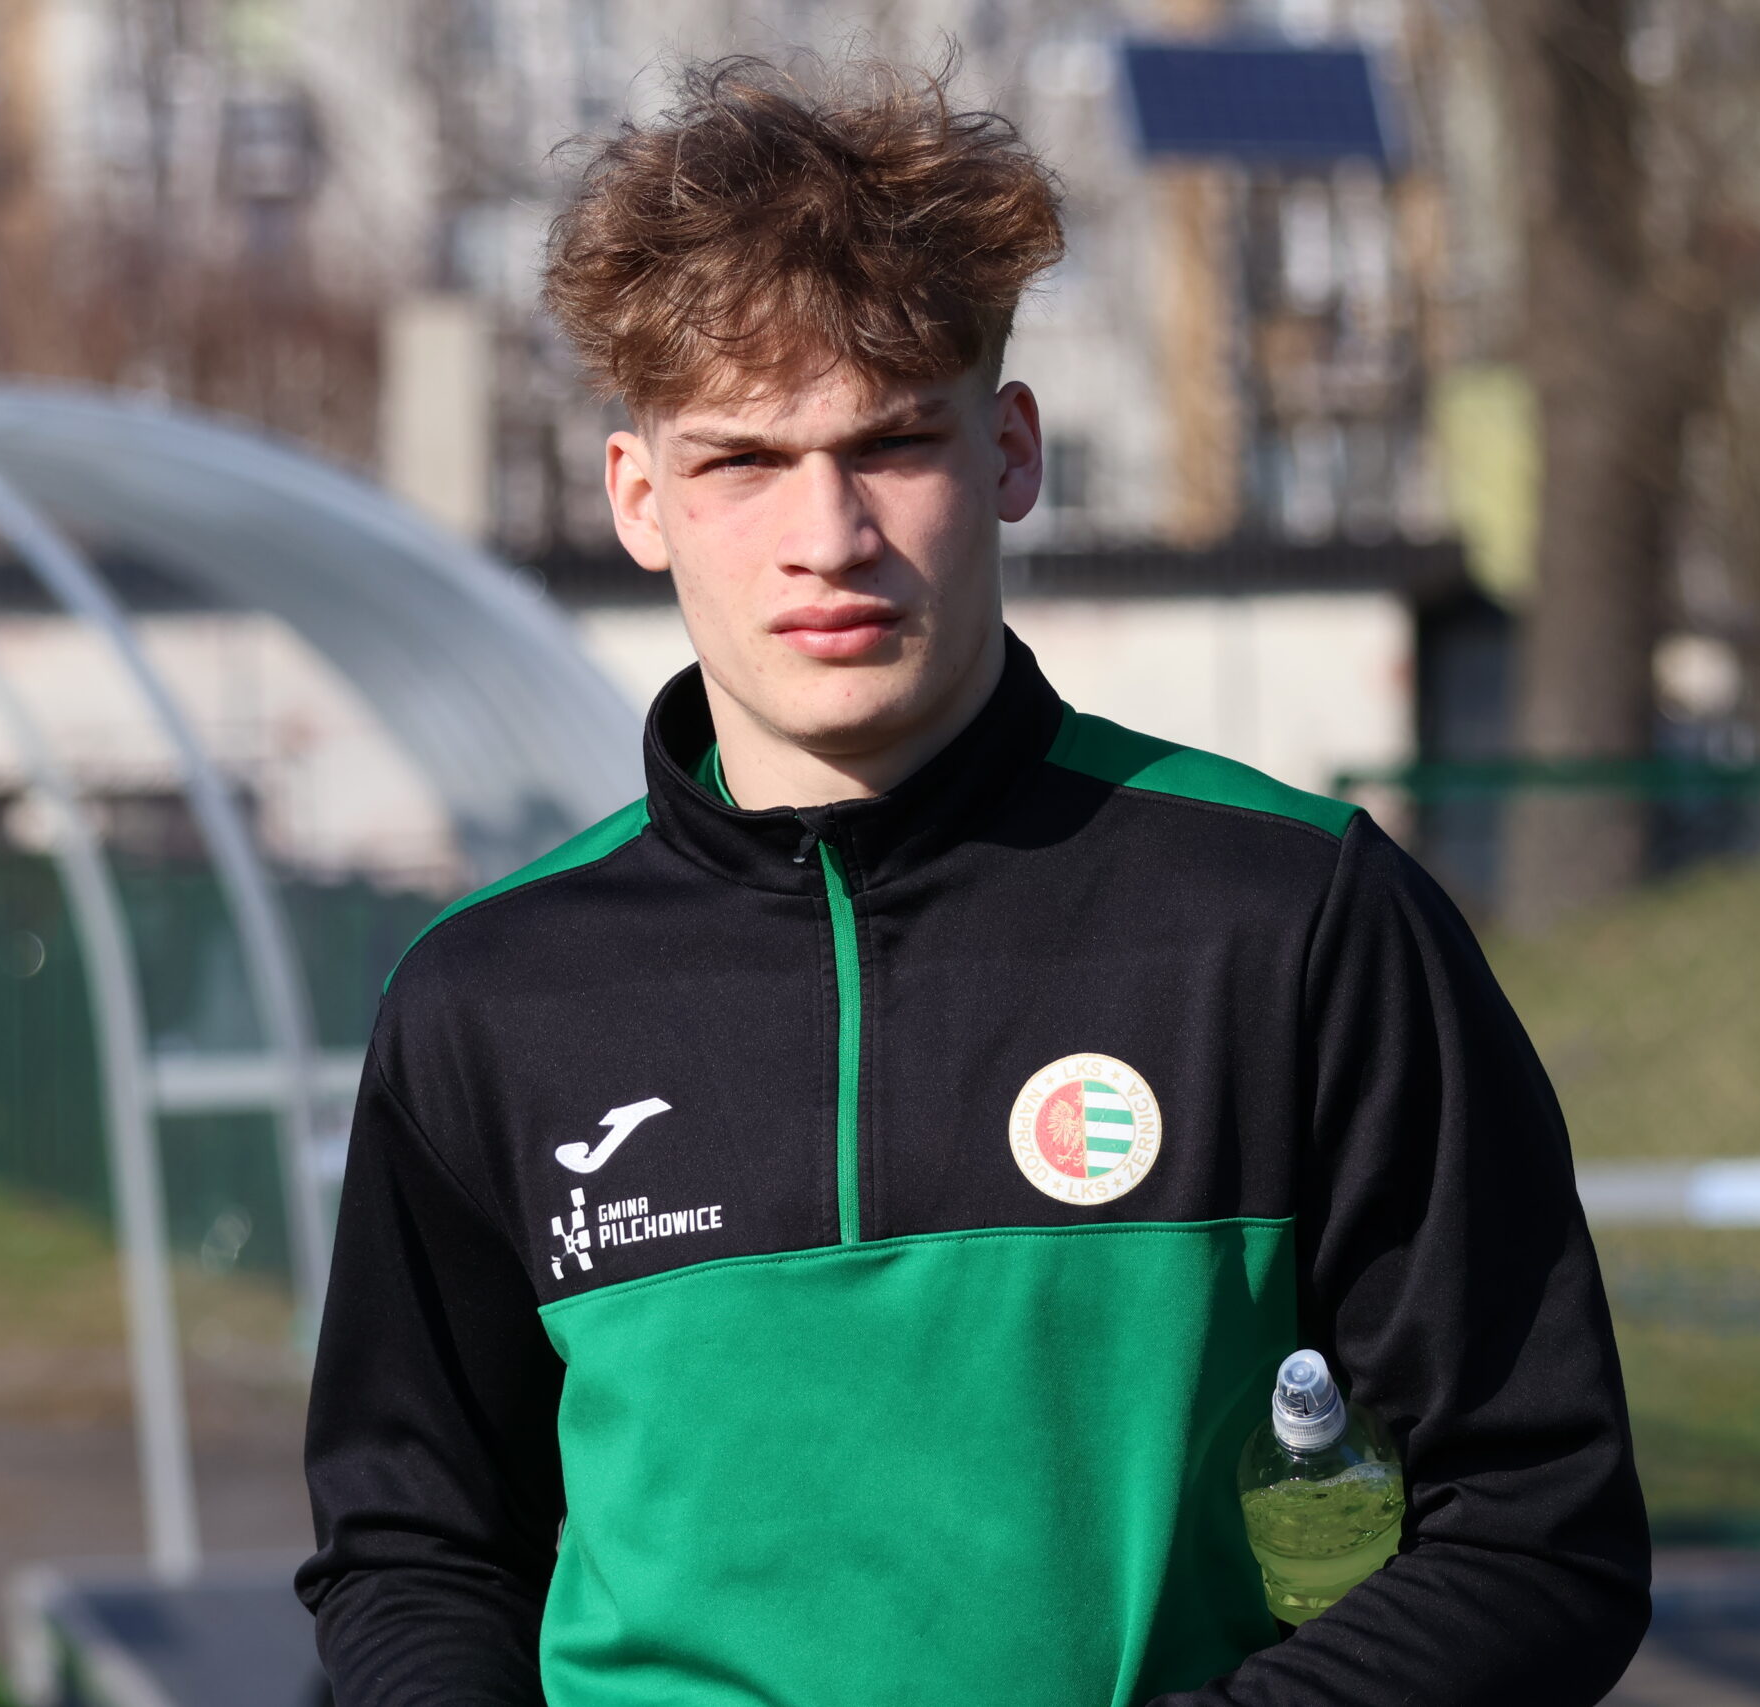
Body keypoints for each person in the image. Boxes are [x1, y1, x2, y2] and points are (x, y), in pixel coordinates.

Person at [296, 57, 1647, 1706]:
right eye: (742, 461)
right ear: (640, 499)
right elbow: (415, 1545)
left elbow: (1535, 1523)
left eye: (891, 442)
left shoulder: (1291, 917)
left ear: (1009, 450)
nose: (829, 533)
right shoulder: (493, 997)